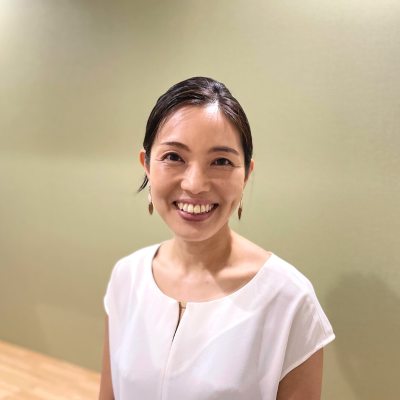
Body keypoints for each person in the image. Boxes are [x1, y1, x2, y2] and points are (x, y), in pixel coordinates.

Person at [99, 77, 335, 400]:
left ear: (246, 174)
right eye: (174, 157)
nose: (195, 184)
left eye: (221, 161)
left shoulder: (289, 300)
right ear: (147, 166)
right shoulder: (126, 277)